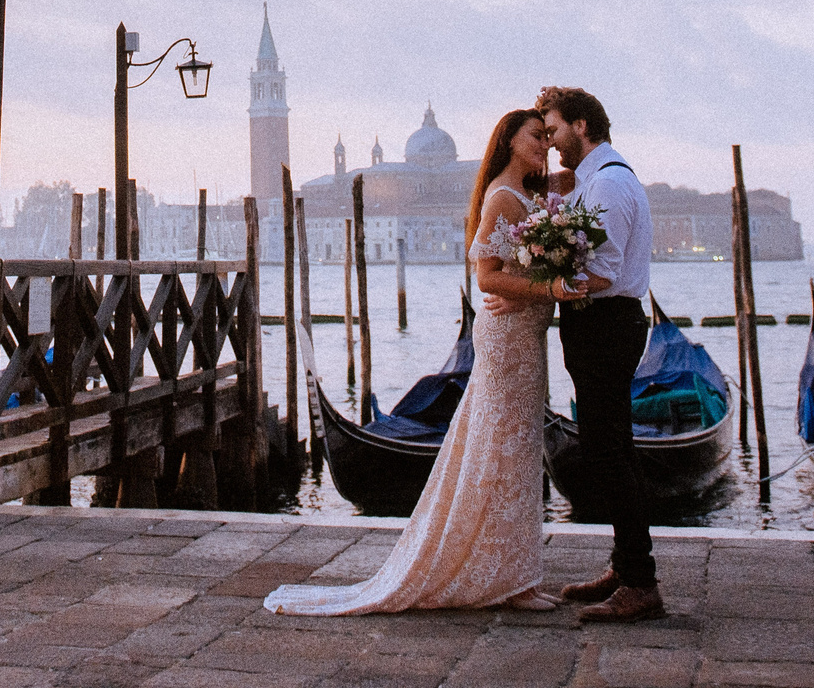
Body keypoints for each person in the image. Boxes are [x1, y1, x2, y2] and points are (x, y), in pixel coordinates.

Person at [262, 109, 586, 615]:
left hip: (525, 336)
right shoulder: (502, 196)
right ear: (508, 140)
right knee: (503, 453)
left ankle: (514, 574)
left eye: (548, 136)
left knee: (517, 453)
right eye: (535, 136)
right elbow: (486, 278)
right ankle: (508, 580)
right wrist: (552, 288)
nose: (544, 143)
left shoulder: (529, 193)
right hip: (507, 339)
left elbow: (575, 179)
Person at [532, 84, 663, 623]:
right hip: (604, 326)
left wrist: (542, 279)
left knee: (609, 453)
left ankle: (640, 583)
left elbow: (603, 272)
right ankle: (625, 565)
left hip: (606, 325)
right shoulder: (596, 179)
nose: (550, 142)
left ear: (581, 126)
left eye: (554, 130)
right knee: (612, 449)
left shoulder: (607, 183)